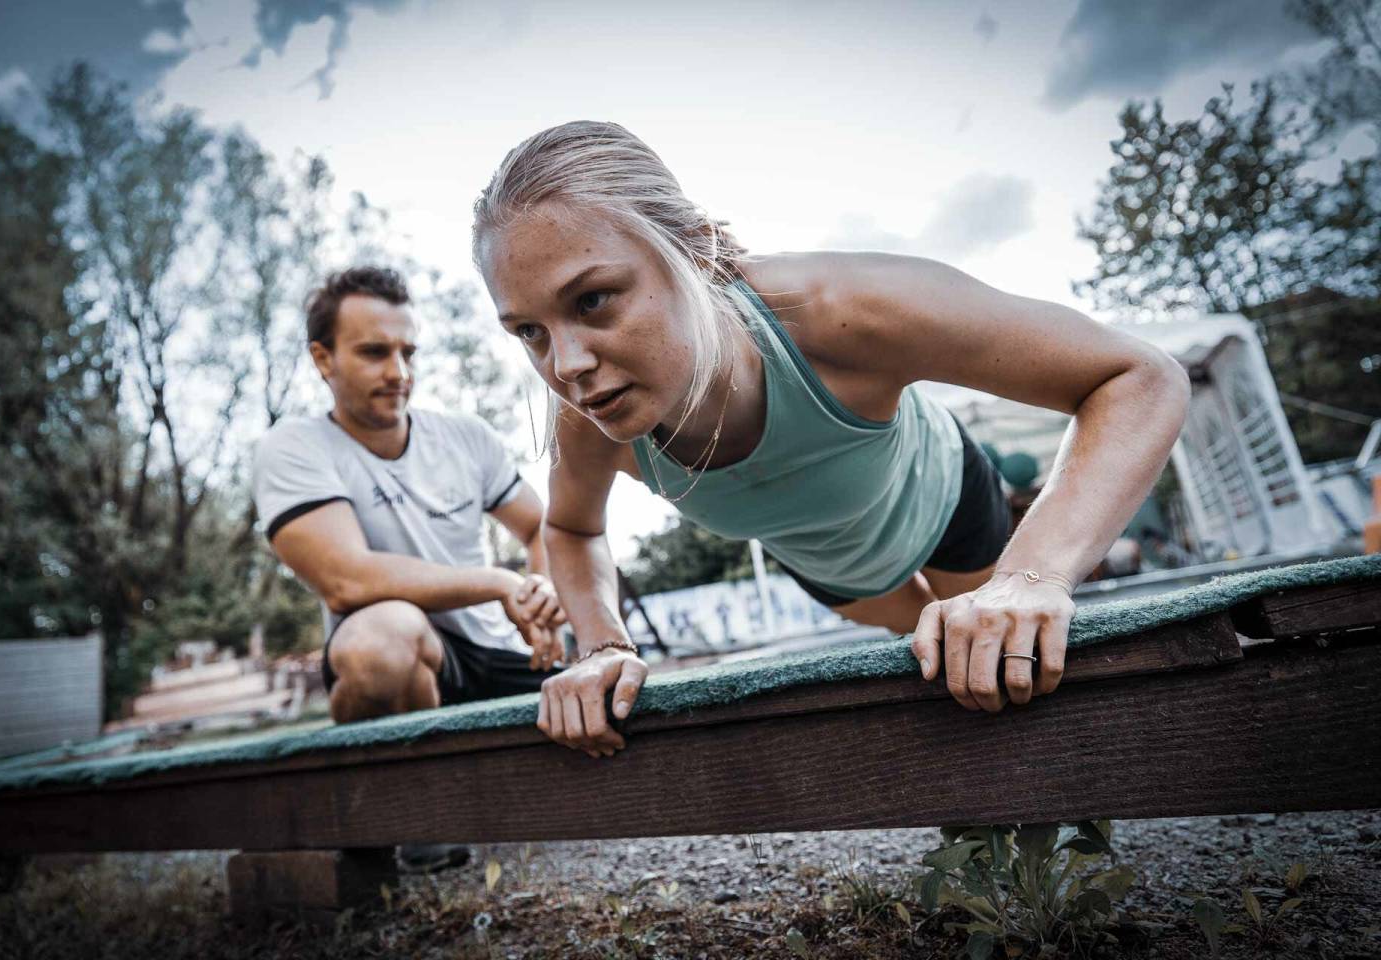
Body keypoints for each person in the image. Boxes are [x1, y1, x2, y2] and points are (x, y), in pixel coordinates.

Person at [470, 121, 1191, 759]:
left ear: (693, 250)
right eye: (529, 332)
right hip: (843, 573)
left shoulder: (843, 311)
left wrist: (1030, 579)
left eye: (592, 300)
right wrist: (600, 647)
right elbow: (569, 527)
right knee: (951, 694)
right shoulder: (588, 408)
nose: (565, 366)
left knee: (1011, 672)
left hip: (943, 505)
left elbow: (1140, 376)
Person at [253, 265, 568, 726]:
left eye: (409, 353)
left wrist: (543, 591)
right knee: (378, 646)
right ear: (323, 359)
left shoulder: (465, 437)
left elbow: (542, 528)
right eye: (374, 353)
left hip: (503, 651)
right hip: (403, 659)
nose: (398, 373)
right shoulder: (295, 446)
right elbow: (347, 580)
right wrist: (500, 583)